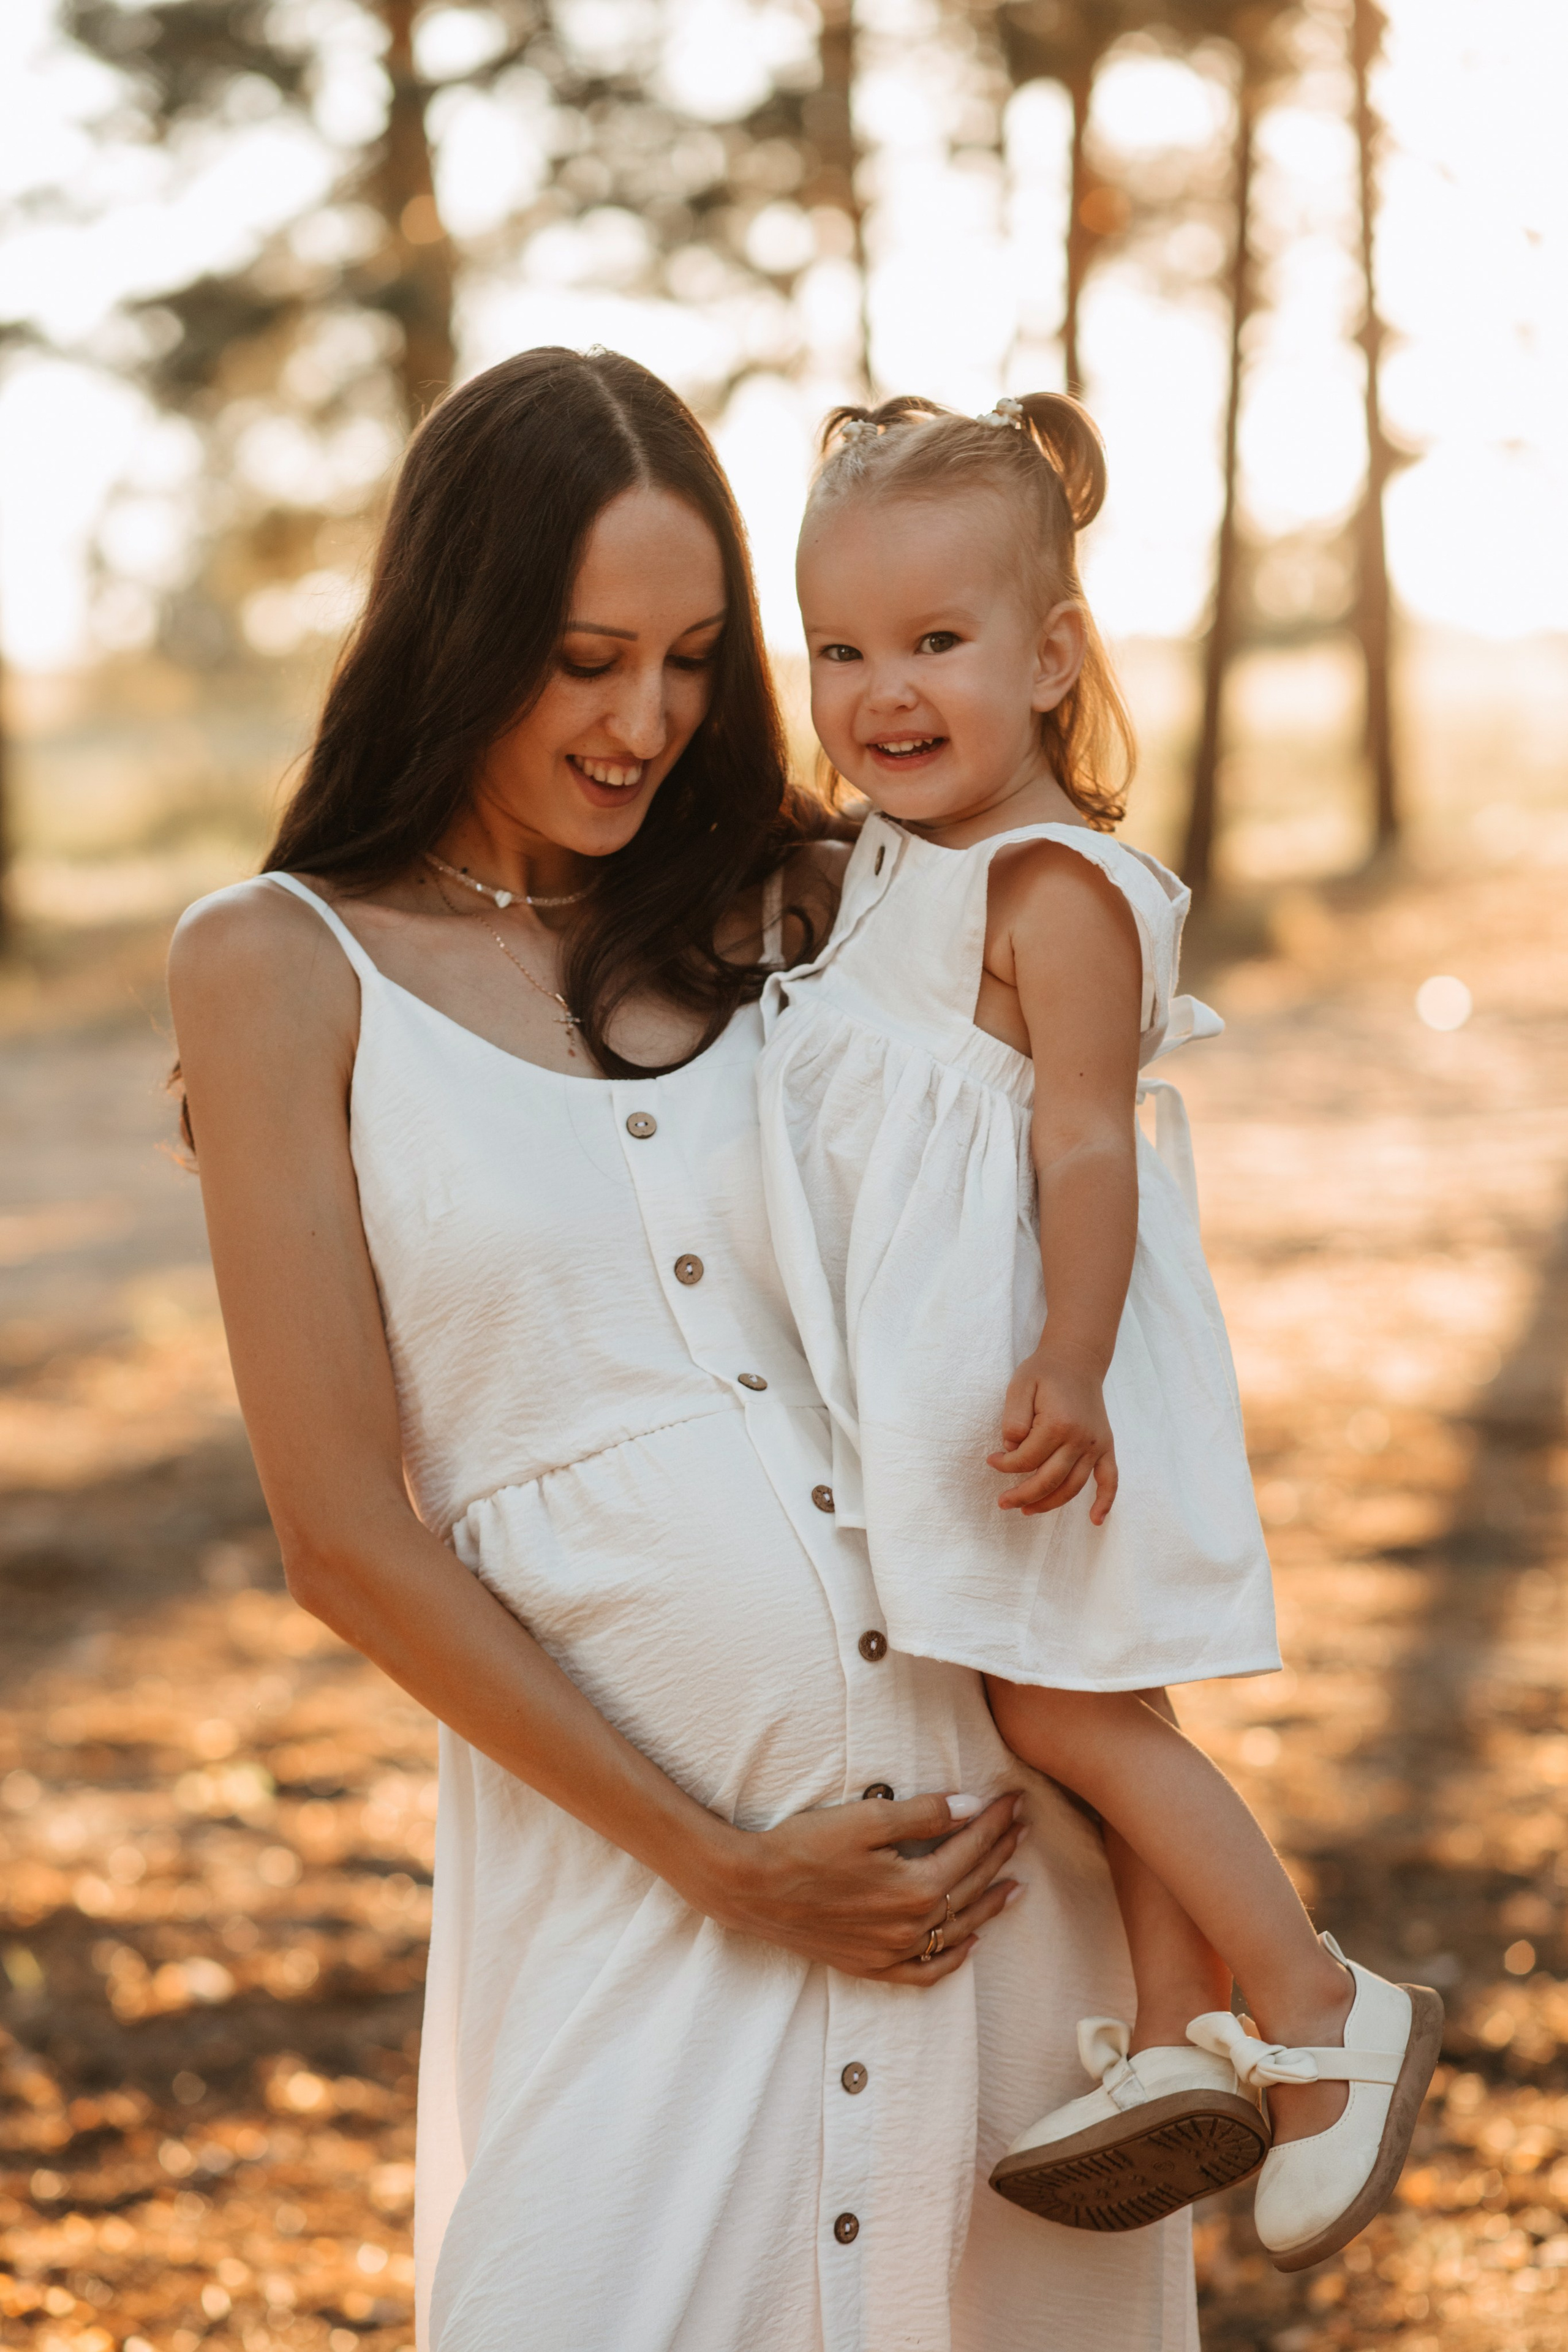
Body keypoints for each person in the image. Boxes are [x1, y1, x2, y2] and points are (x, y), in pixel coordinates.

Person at [168, 347, 1203, 2350]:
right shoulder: (277, 961)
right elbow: (341, 1538)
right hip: (648, 1900)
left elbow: (1075, 1139)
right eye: (580, 659)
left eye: (701, 660)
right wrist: (730, 1870)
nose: (646, 723)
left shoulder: (816, 903)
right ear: (454, 635)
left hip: (998, 1864)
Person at [755, 390, 1442, 2274]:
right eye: (839, 649)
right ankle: (1165, 2045)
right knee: (1092, 1694)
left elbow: (1081, 1138)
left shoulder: (1050, 885)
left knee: (1057, 1703)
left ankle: (1315, 2008)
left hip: (1037, 1370)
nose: (883, 692)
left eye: (939, 644)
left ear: (1053, 656)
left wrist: (1061, 1357)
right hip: (986, 1363)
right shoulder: (907, 851)